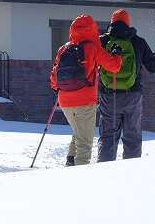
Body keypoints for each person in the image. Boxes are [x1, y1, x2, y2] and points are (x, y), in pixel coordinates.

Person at [50, 14, 122, 166]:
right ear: (93, 30)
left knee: (79, 132)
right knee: (85, 142)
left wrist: (61, 91)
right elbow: (114, 66)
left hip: (64, 101)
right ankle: (80, 173)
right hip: (85, 100)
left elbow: (53, 78)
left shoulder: (64, 48)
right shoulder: (93, 48)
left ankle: (70, 161)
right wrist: (117, 54)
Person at [97, 9, 155, 162]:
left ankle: (104, 172)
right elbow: (152, 67)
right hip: (132, 95)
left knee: (108, 136)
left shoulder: (103, 41)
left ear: (112, 23)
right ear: (128, 23)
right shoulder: (138, 41)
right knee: (132, 135)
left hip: (108, 94)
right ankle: (131, 172)